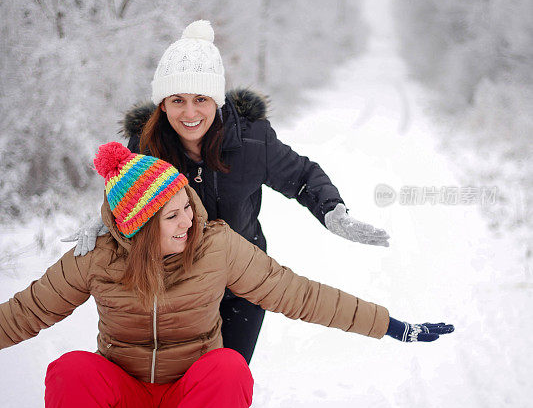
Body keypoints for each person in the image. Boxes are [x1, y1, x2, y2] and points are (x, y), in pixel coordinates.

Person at [0, 142, 454, 408]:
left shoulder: (216, 245)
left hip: (188, 407)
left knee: (228, 368)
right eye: (172, 216)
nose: (188, 221)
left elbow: (295, 292)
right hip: (127, 403)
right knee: (71, 369)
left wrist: (391, 326)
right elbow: (27, 310)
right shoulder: (96, 256)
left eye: (186, 207)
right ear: (137, 228)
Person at [65, 19, 390, 365]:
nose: (190, 113)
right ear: (162, 104)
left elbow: (303, 175)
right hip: (176, 286)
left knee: (227, 376)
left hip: (241, 285)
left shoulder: (252, 141)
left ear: (217, 101)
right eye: (177, 100)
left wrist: (332, 210)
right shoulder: (146, 147)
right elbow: (124, 200)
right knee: (179, 390)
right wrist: (106, 220)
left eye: (201, 99)